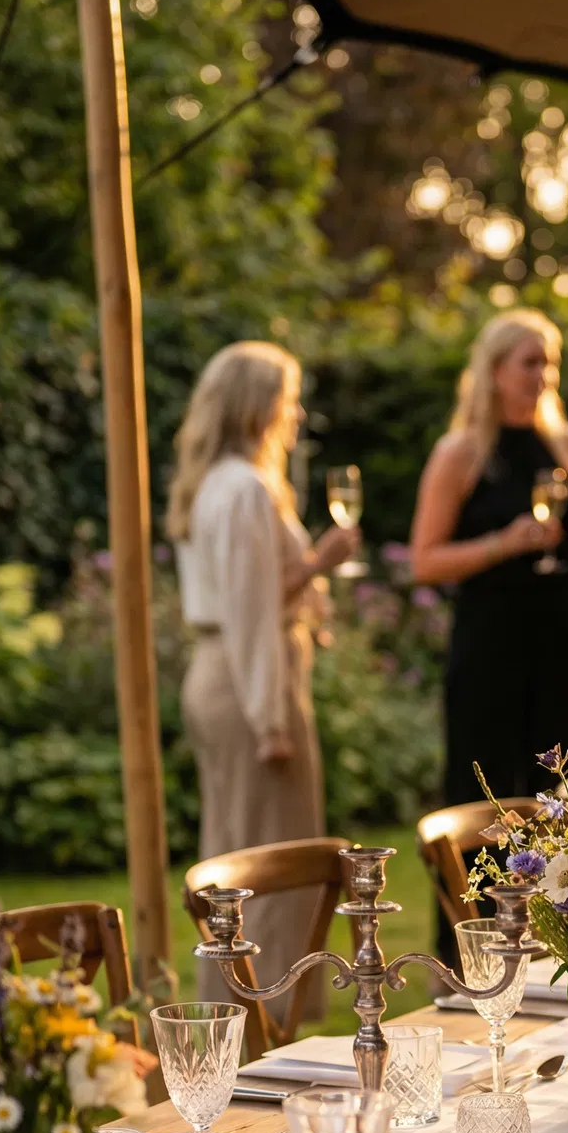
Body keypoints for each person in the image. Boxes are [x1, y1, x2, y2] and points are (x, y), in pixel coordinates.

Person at [167, 341, 360, 1001]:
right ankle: (266, 1014)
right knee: (270, 866)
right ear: (257, 407)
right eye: (288, 399)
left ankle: (233, 1012)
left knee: (232, 853)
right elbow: (250, 609)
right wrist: (271, 719)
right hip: (249, 681)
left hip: (223, 672)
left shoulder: (215, 483)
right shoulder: (245, 488)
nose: (296, 414)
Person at [409, 309, 568, 810]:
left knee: (565, 786)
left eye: (551, 363)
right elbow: (424, 562)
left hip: (560, 634)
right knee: (489, 787)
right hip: (490, 641)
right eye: (530, 362)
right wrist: (503, 544)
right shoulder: (461, 452)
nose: (543, 375)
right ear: (495, 370)